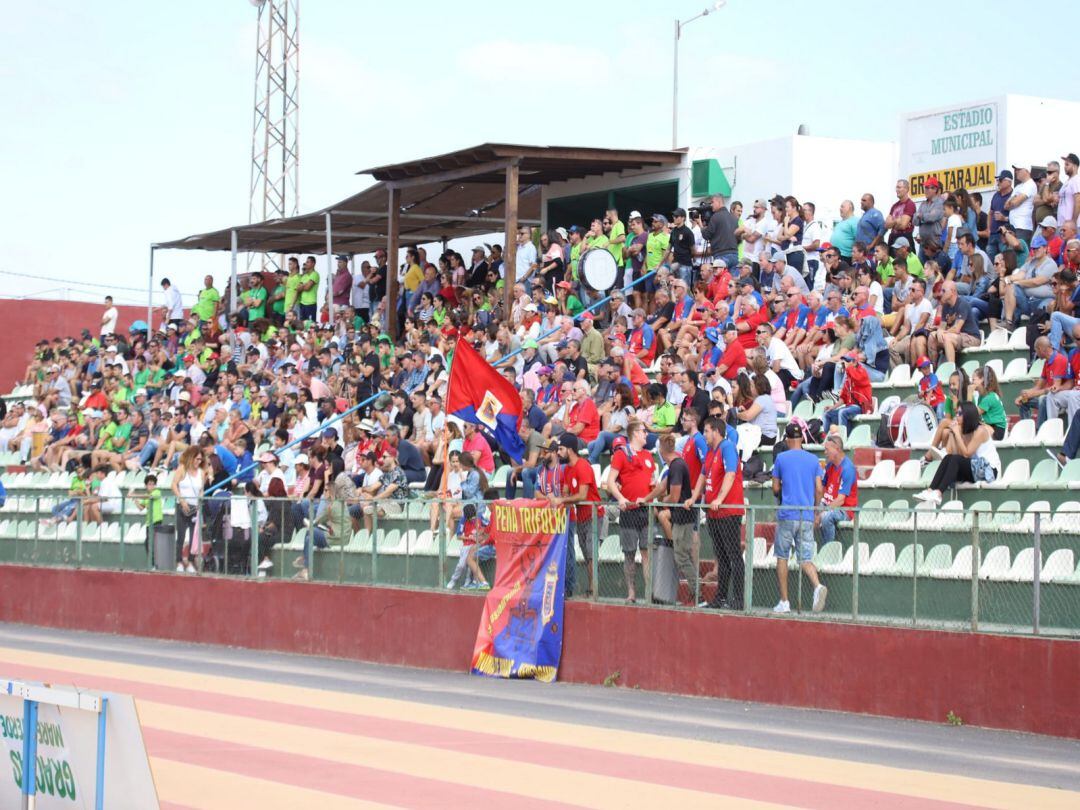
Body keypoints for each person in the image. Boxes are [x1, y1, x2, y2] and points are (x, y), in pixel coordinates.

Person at [684, 416, 743, 610]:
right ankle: (722, 597)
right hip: (713, 512)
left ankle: (739, 599)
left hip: (728, 511)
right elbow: (703, 475)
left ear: (716, 431)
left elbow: (731, 473)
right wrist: (694, 497)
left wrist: (720, 498)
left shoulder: (727, 447)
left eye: (707, 431)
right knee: (722, 556)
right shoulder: (710, 451)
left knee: (733, 555)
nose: (704, 435)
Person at [771, 422, 828, 614]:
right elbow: (819, 489)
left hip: (788, 513)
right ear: (802, 438)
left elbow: (775, 488)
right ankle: (818, 586)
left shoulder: (781, 458)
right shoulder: (813, 460)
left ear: (787, 440)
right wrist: (814, 509)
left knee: (782, 556)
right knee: (805, 558)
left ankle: (784, 601)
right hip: (806, 514)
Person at [606, 420, 655, 603]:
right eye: (644, 431)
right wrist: (620, 498)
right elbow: (610, 481)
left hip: (645, 510)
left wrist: (654, 489)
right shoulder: (621, 454)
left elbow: (652, 481)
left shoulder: (649, 456)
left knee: (647, 552)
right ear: (635, 433)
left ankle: (649, 592)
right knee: (629, 553)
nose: (646, 434)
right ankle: (631, 592)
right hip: (628, 510)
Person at [546, 434, 600, 597]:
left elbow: (582, 495)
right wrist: (556, 501)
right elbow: (566, 493)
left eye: (561, 449)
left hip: (594, 516)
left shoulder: (583, 466)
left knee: (591, 555)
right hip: (582, 517)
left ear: (570, 450)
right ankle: (591, 589)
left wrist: (560, 499)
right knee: (586, 555)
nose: (559, 453)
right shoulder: (568, 469)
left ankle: (593, 590)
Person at [914, 403, 1001, 504]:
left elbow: (966, 454)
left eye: (960, 413)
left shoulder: (980, 431)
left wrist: (957, 434)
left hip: (988, 470)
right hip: (974, 467)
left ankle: (938, 493)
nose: (956, 416)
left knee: (955, 459)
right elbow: (955, 453)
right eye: (956, 413)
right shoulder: (965, 431)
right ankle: (930, 491)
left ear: (968, 415)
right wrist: (952, 434)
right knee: (948, 458)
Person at [818, 434, 857, 546]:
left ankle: (828, 550)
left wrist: (821, 512)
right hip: (828, 504)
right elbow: (821, 487)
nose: (825, 453)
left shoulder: (847, 468)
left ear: (837, 449)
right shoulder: (829, 466)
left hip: (845, 510)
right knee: (806, 512)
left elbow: (840, 501)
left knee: (826, 517)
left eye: (827, 450)